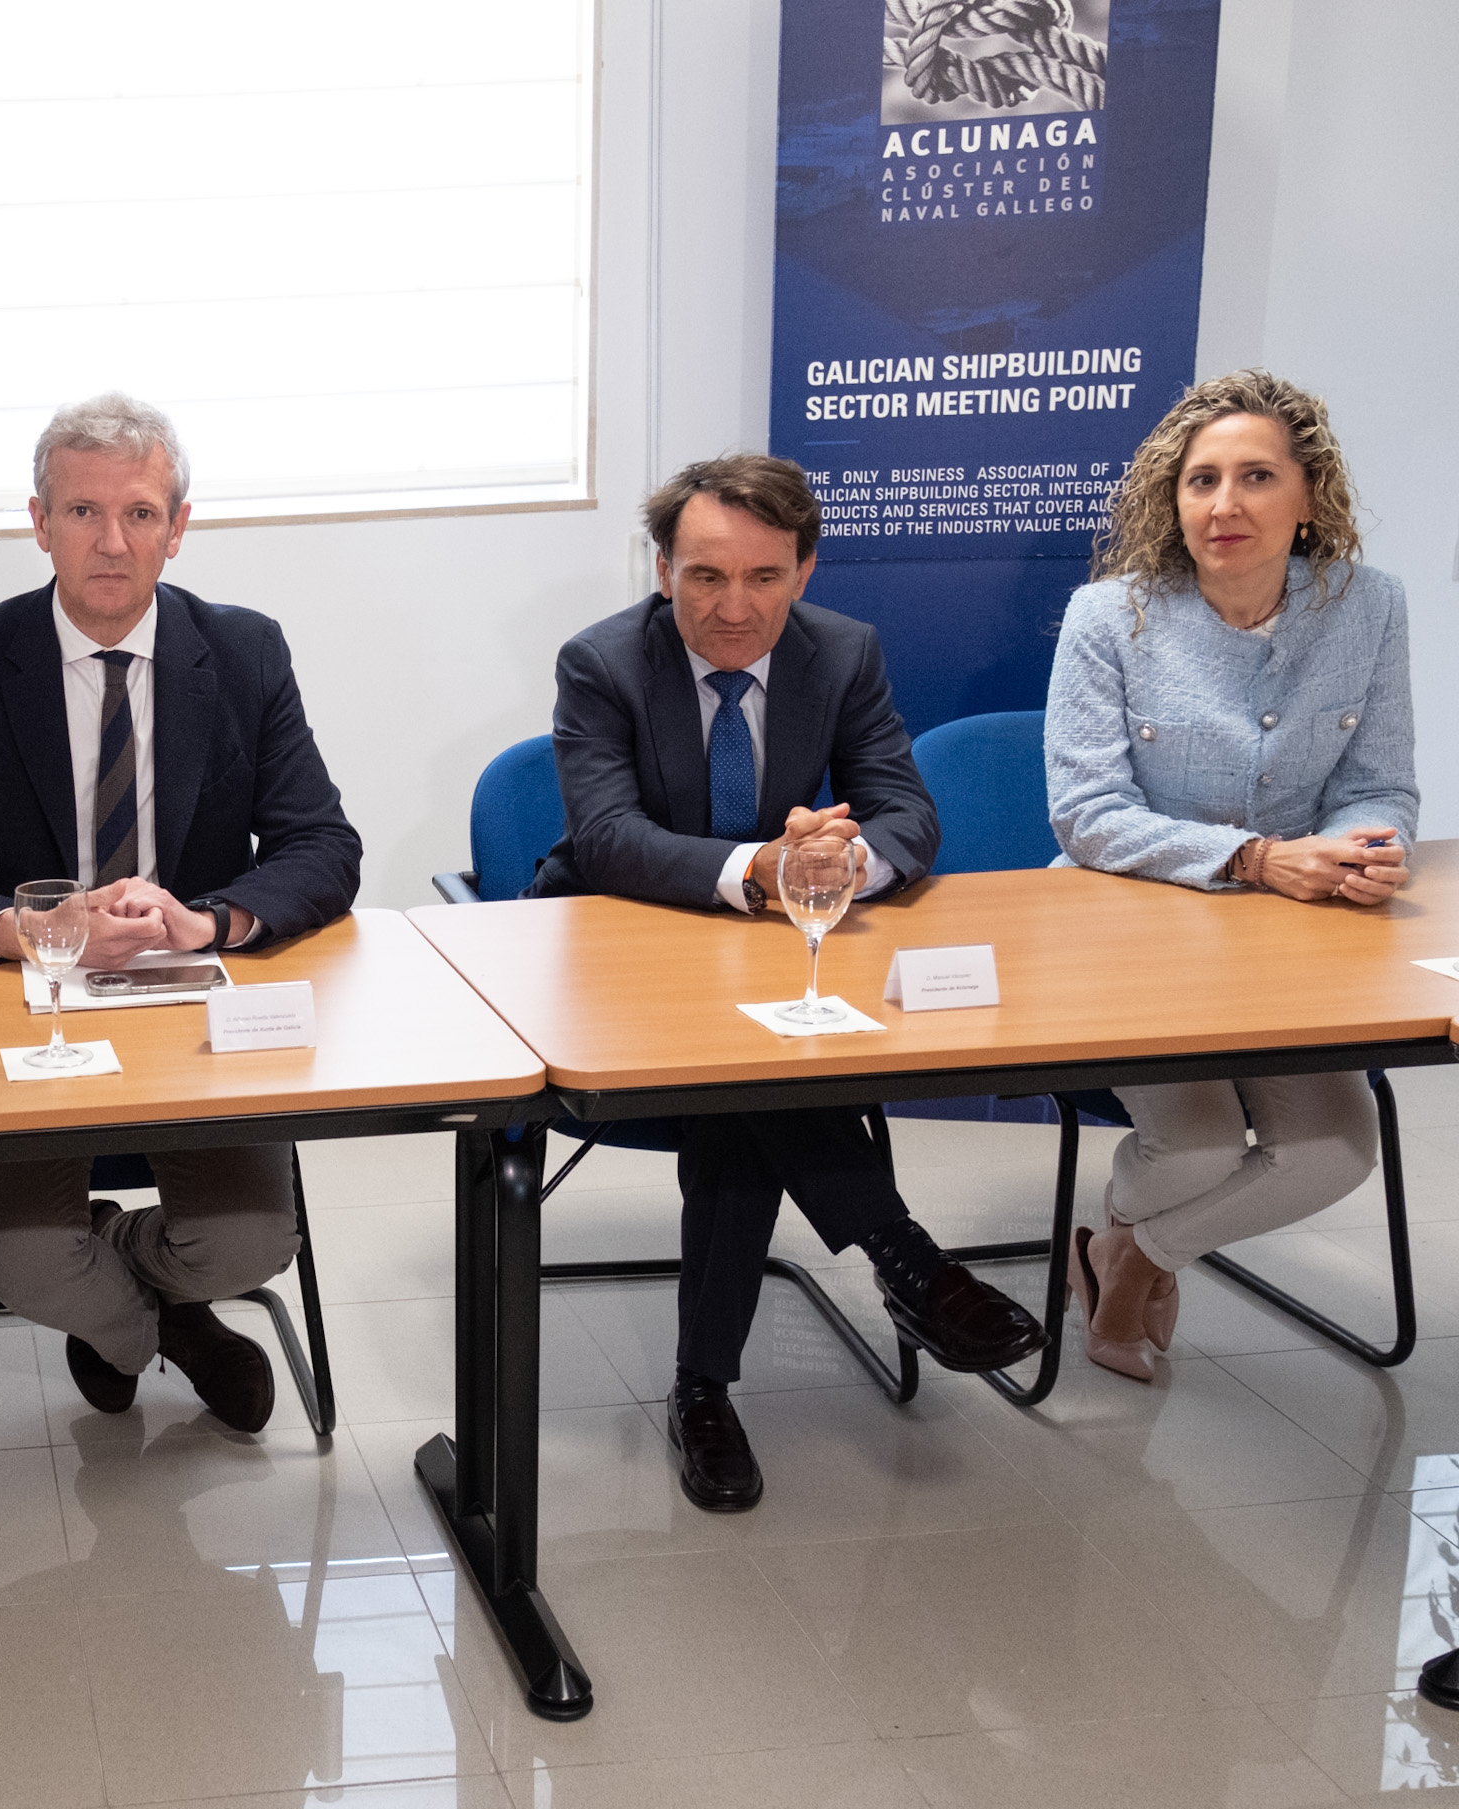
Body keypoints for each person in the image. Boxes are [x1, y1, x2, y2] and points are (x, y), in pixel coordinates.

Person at [534, 453, 1046, 1512]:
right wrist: (758, 868)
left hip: (770, 950)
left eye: (763, 577)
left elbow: (905, 811)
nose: (734, 607)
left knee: (744, 1090)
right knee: (750, 1080)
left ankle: (704, 1387)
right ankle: (907, 1263)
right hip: (618, 948)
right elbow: (608, 837)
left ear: (805, 572)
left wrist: (843, 861)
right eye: (705, 576)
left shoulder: (842, 652)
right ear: (662, 570)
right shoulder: (601, 662)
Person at [0, 392, 361, 1433]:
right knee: (23, 1261)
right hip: (30, 1011)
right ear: (40, 524)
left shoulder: (245, 652)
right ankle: (169, 1329)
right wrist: (24, 929)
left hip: (192, 1005)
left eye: (139, 513)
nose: (112, 542)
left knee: (253, 1244)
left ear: (178, 527)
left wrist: (209, 921)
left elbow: (322, 845)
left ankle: (120, 1278)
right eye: (83, 512)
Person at [1046, 370, 1415, 1381]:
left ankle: (1127, 1253)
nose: (1224, 504)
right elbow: (1086, 815)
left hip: (1292, 946)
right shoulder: (1106, 616)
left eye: (1256, 476)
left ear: (1309, 495)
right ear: (1172, 500)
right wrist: (1255, 858)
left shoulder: (1370, 607)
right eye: (1201, 480)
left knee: (1336, 1147)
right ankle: (1137, 1251)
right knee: (1200, 1147)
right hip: (1127, 935)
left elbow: (1379, 785)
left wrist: (1369, 848)